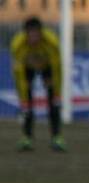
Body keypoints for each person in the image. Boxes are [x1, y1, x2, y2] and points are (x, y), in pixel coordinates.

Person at [10, 16, 66, 152]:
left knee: (53, 102)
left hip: (48, 68)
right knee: (27, 105)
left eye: (36, 34)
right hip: (27, 70)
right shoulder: (17, 45)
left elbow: (57, 69)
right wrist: (23, 98)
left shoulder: (52, 42)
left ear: (41, 32)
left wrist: (58, 92)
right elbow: (19, 75)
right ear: (25, 33)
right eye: (30, 34)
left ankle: (57, 138)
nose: (34, 38)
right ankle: (27, 138)